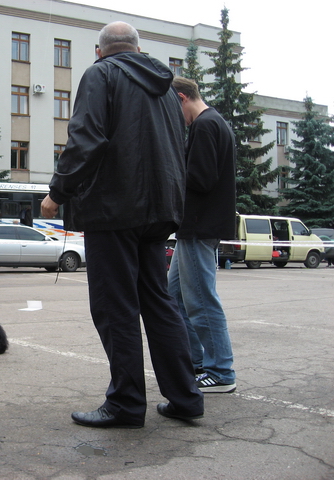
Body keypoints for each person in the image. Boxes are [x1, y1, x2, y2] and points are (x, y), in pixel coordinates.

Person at [40, 21, 204, 427]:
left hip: (114, 208)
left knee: (116, 307)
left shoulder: (100, 75)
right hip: (160, 209)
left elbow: (85, 139)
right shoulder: (167, 89)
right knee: (158, 302)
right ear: (138, 49)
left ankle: (126, 405)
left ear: (100, 51)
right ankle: (186, 397)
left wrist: (57, 192)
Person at [167, 76, 237, 393]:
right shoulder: (212, 123)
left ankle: (220, 371)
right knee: (175, 297)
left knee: (200, 300)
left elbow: (201, 179)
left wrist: (170, 167)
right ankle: (196, 363)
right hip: (196, 226)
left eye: (172, 107)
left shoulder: (206, 125)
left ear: (182, 98)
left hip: (198, 226)